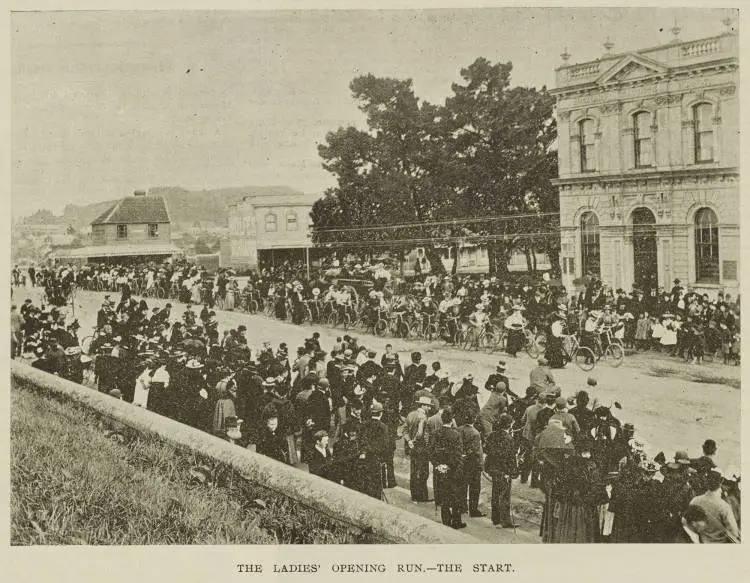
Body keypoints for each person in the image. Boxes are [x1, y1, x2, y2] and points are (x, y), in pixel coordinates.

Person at [430, 408, 465, 529]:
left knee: (443, 495)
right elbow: (457, 454)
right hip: (453, 469)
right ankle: (456, 521)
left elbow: (431, 451)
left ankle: (446, 521)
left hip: (440, 469)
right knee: (455, 496)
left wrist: (438, 465)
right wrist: (450, 466)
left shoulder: (435, 433)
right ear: (452, 420)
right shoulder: (456, 434)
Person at [689, 469, 740, 543]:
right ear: (720, 484)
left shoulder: (695, 501)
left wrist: (698, 531)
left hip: (703, 541)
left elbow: (686, 521)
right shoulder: (723, 505)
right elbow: (733, 531)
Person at [484, 413, 517, 528]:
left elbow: (487, 449)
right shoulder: (509, 439)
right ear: (509, 425)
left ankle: (495, 518)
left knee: (495, 493)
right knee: (504, 495)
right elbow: (511, 457)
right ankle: (505, 520)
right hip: (504, 470)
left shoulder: (492, 435)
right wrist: (511, 472)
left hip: (493, 468)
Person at [404, 395, 432, 502]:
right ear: (423, 406)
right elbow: (420, 433)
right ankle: (422, 496)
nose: (429, 408)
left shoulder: (410, 414)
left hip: (412, 447)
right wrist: (415, 441)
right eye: (428, 406)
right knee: (423, 471)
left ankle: (414, 494)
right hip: (421, 447)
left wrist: (409, 441)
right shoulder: (423, 417)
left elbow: (405, 430)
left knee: (414, 470)